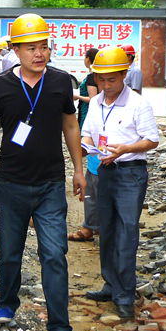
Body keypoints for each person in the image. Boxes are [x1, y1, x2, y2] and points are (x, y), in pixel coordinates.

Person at [0, 13, 84, 331]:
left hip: (50, 184)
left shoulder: (61, 82)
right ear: (15, 50)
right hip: (11, 183)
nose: (39, 53)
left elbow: (70, 125)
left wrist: (78, 169)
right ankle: (6, 303)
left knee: (54, 254)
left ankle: (60, 326)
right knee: (9, 251)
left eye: (44, 46)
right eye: (31, 48)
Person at [82, 46, 159, 320]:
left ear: (124, 75)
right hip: (105, 171)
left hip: (130, 174)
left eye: (111, 79)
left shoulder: (138, 103)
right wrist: (86, 147)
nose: (106, 85)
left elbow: (152, 140)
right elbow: (88, 134)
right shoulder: (95, 103)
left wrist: (125, 149)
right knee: (107, 229)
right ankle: (110, 284)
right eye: (101, 79)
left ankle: (125, 295)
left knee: (126, 233)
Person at [68, 48, 100, 242]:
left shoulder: (91, 78)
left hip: (91, 125)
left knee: (95, 186)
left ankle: (93, 227)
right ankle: (93, 225)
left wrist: (77, 97)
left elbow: (93, 100)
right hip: (94, 139)